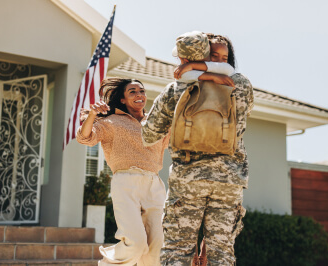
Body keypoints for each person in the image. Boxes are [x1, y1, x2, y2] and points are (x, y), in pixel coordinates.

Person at [142, 31, 254, 265]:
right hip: (229, 180)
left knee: (177, 250)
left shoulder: (176, 88)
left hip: (188, 180)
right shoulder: (241, 85)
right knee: (221, 252)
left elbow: (149, 135)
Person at [76, 77, 168, 266]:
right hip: (126, 183)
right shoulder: (112, 122)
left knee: (157, 250)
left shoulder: (155, 123)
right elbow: (85, 138)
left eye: (141, 91)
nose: (139, 95)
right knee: (136, 244)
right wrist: (92, 115)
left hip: (154, 185)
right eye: (132, 92)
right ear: (123, 100)